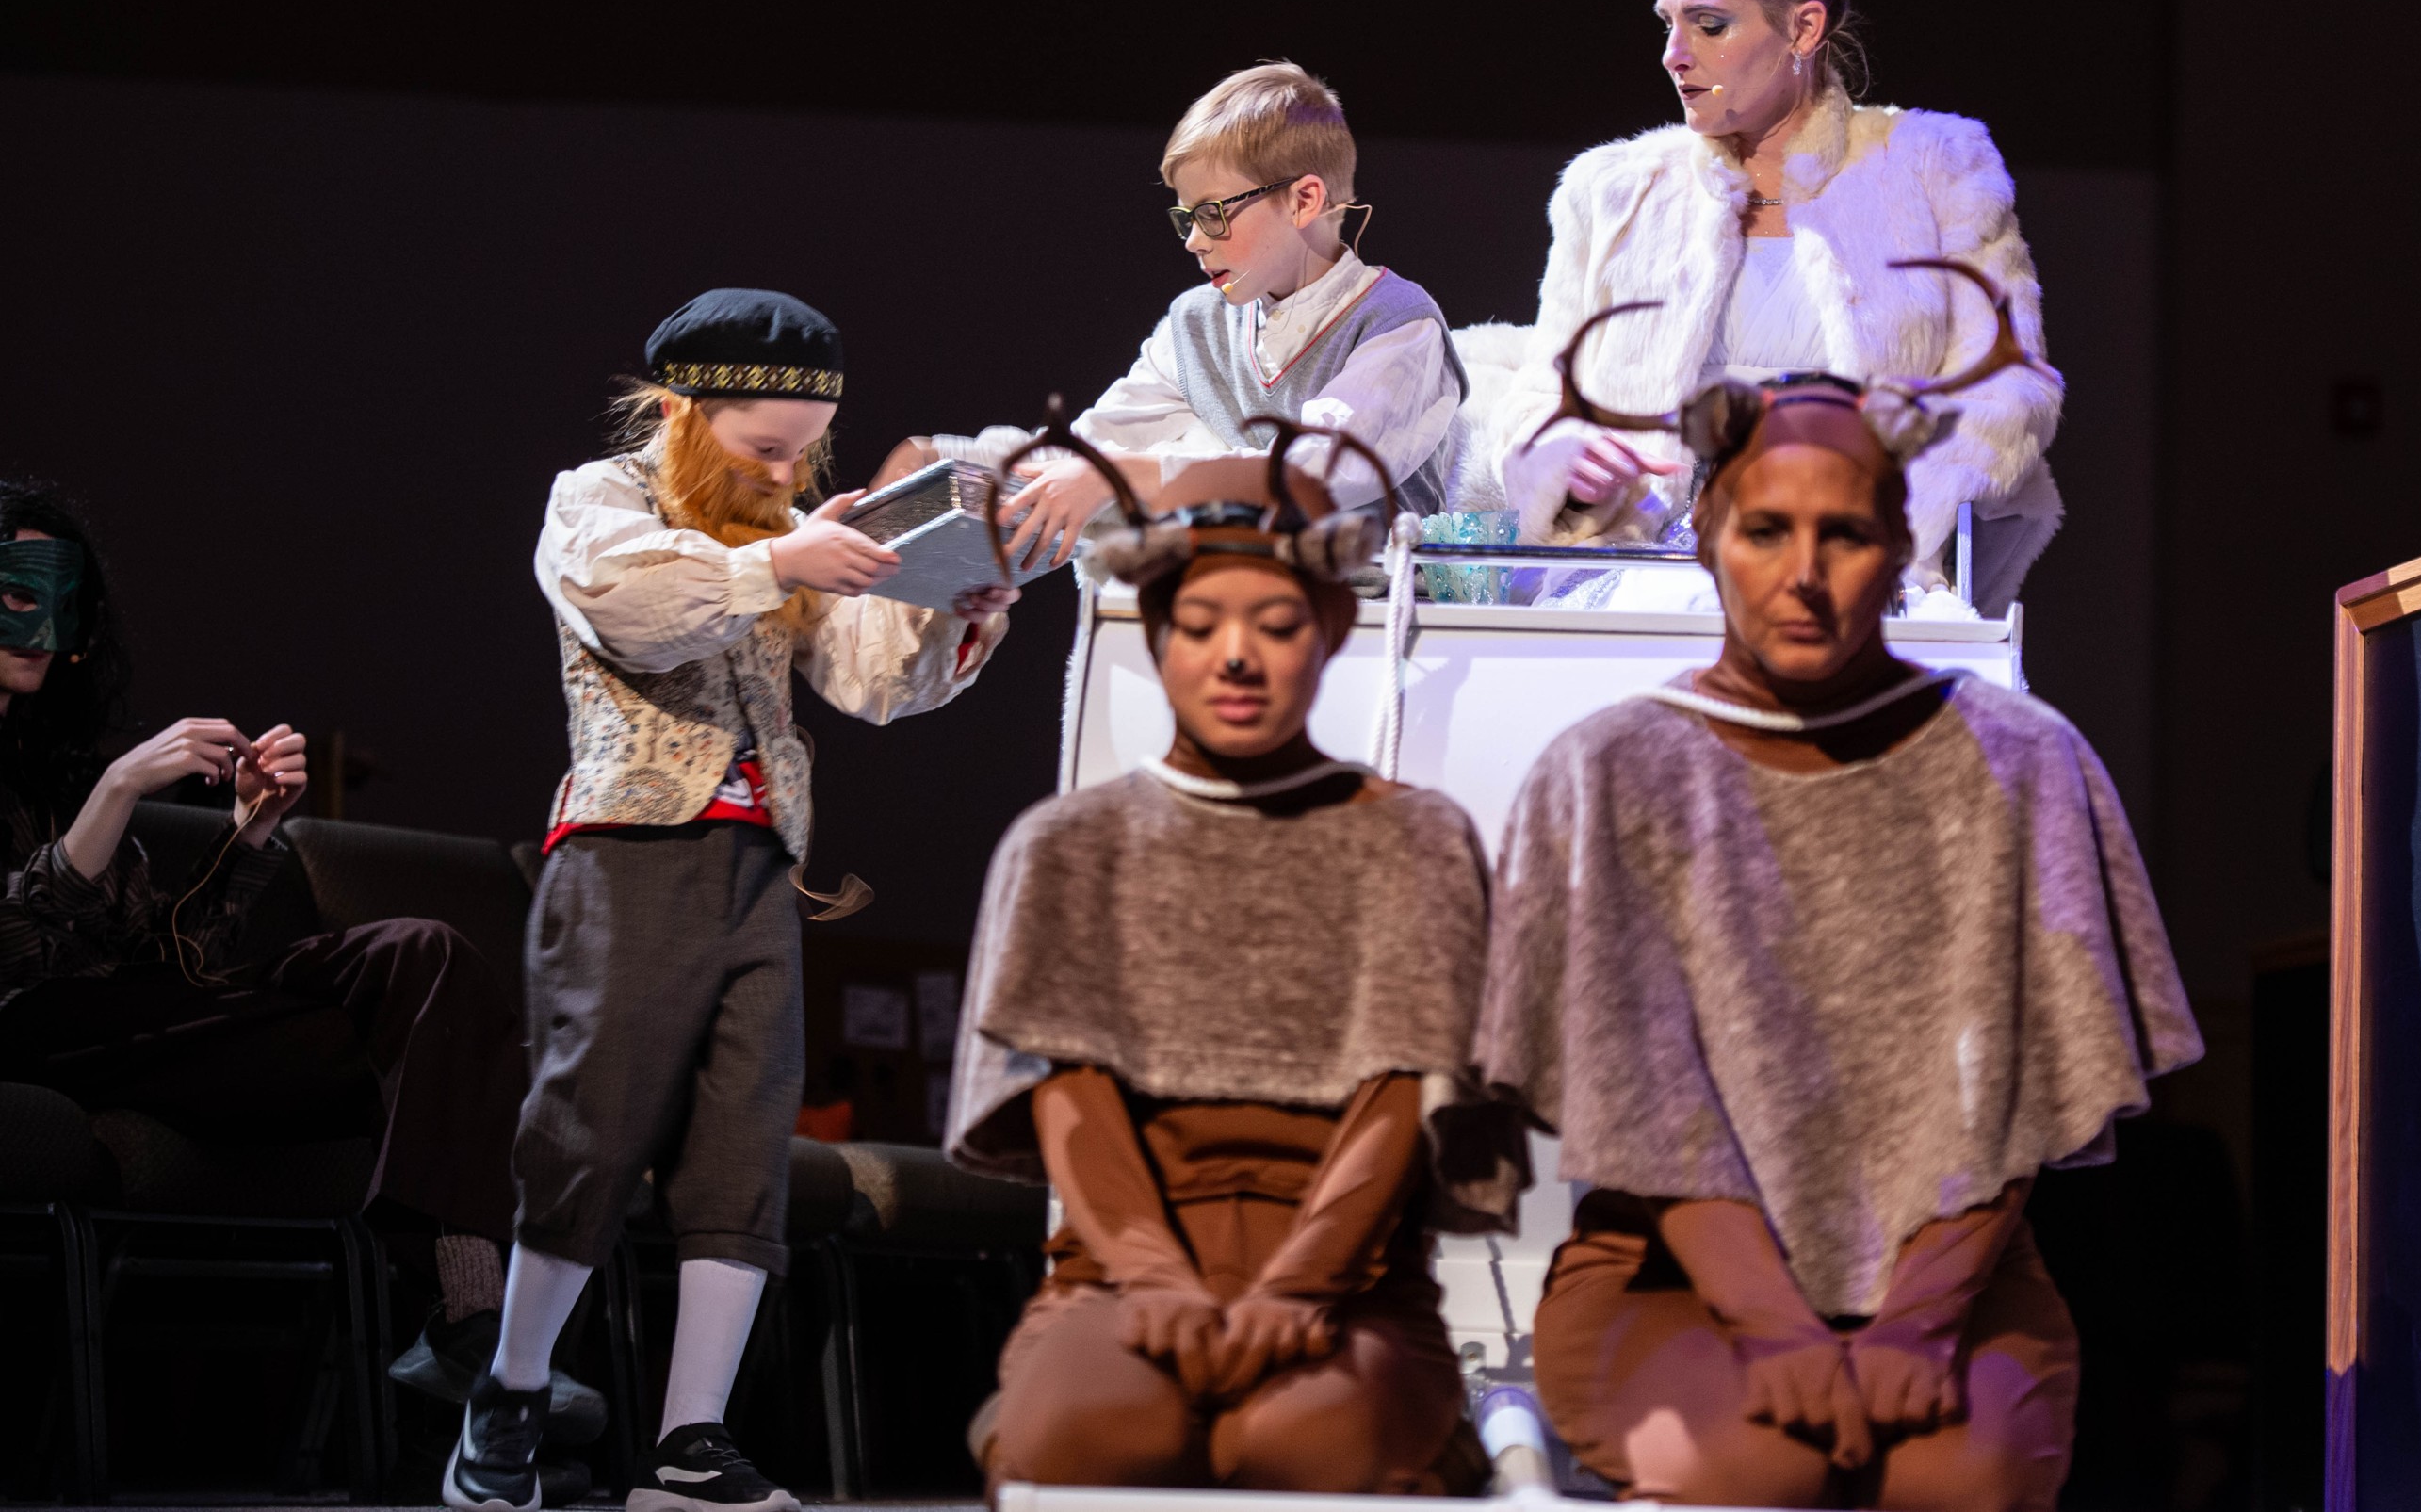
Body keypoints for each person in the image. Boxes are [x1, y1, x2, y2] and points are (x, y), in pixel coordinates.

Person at [1473, 304, 2201, 1507]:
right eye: (1767, 529)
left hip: (1955, 1270)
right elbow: (1641, 1101)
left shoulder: (2021, 763)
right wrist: (1777, 1327)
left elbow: (2023, 1092)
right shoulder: (1611, 771)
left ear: (1901, 540)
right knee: (1753, 1459)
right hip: (1667, 1269)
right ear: (1708, 533)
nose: (1804, 575)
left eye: (1846, 533)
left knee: (1961, 1475)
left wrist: (1916, 1323)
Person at [446, 290, 1015, 1512]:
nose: (789, 472)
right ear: (683, 413)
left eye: (804, 450)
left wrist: (949, 610)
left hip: (761, 865)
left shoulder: (783, 528)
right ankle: (512, 1389)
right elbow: (630, 610)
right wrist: (777, 560)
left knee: (741, 1144)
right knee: (595, 1124)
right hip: (632, 851)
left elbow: (867, 679)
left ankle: (689, 1440)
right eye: (765, 447)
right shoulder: (600, 500)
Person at [948, 423, 1520, 1492]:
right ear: (1158, 631)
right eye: (1201, 623)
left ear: (1332, 627)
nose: (1238, 656)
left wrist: (1302, 1283)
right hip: (1114, 1273)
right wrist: (1154, 1276)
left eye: (1277, 622)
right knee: (1091, 1434)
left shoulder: (1413, 838)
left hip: (1355, 1282)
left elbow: (1411, 1082)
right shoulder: (1072, 843)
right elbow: (1069, 1084)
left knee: (1302, 1443)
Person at [0, 481, 607, 1463]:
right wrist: (120, 788)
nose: (45, 626)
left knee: (423, 957)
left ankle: (468, 1322)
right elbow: (17, 950)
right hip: (36, 1030)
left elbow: (176, 958)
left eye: (62, 601)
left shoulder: (53, 766)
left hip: (144, 1026)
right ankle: (483, 1360)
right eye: (18, 591)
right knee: (431, 1055)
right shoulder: (96, 786)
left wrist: (248, 833)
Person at [1472, 0, 2065, 612]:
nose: (1674, 55)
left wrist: (1882, 516)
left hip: (1856, 582)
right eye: (1668, 24)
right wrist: (1547, 451)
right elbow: (1541, 391)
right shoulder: (1614, 191)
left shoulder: (1935, 168)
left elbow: (2007, 386)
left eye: (1709, 25)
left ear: (1803, 28)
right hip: (1641, 577)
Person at [988, 61, 1468, 569]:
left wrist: (1123, 475)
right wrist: (945, 470)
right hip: (1236, 592)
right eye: (1186, 218)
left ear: (1304, 200)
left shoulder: (1398, 324)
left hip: (1369, 603)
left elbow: (1313, 475)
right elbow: (1084, 450)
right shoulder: (1196, 324)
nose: (1193, 241)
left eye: (1211, 213)